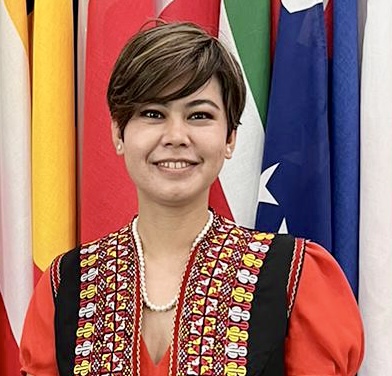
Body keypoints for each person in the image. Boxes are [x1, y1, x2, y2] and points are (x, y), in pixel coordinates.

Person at [20, 21, 364, 376]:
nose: (176, 136)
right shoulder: (65, 287)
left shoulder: (298, 279)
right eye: (153, 114)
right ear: (119, 133)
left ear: (230, 137)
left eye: (199, 115)